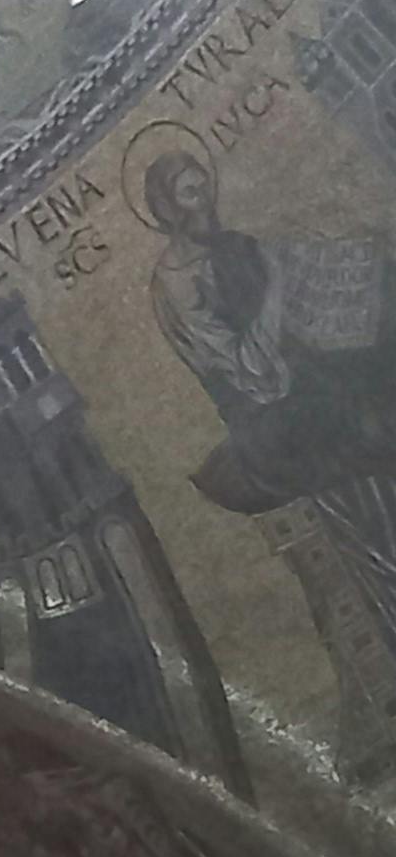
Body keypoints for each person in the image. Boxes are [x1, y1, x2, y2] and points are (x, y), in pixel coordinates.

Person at [142, 142, 396, 654]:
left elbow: (298, 311)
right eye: (191, 196)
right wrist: (279, 290)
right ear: (168, 211)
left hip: (309, 394)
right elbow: (249, 369)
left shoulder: (237, 246)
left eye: (205, 190)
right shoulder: (175, 286)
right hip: (270, 422)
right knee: (367, 443)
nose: (206, 205)